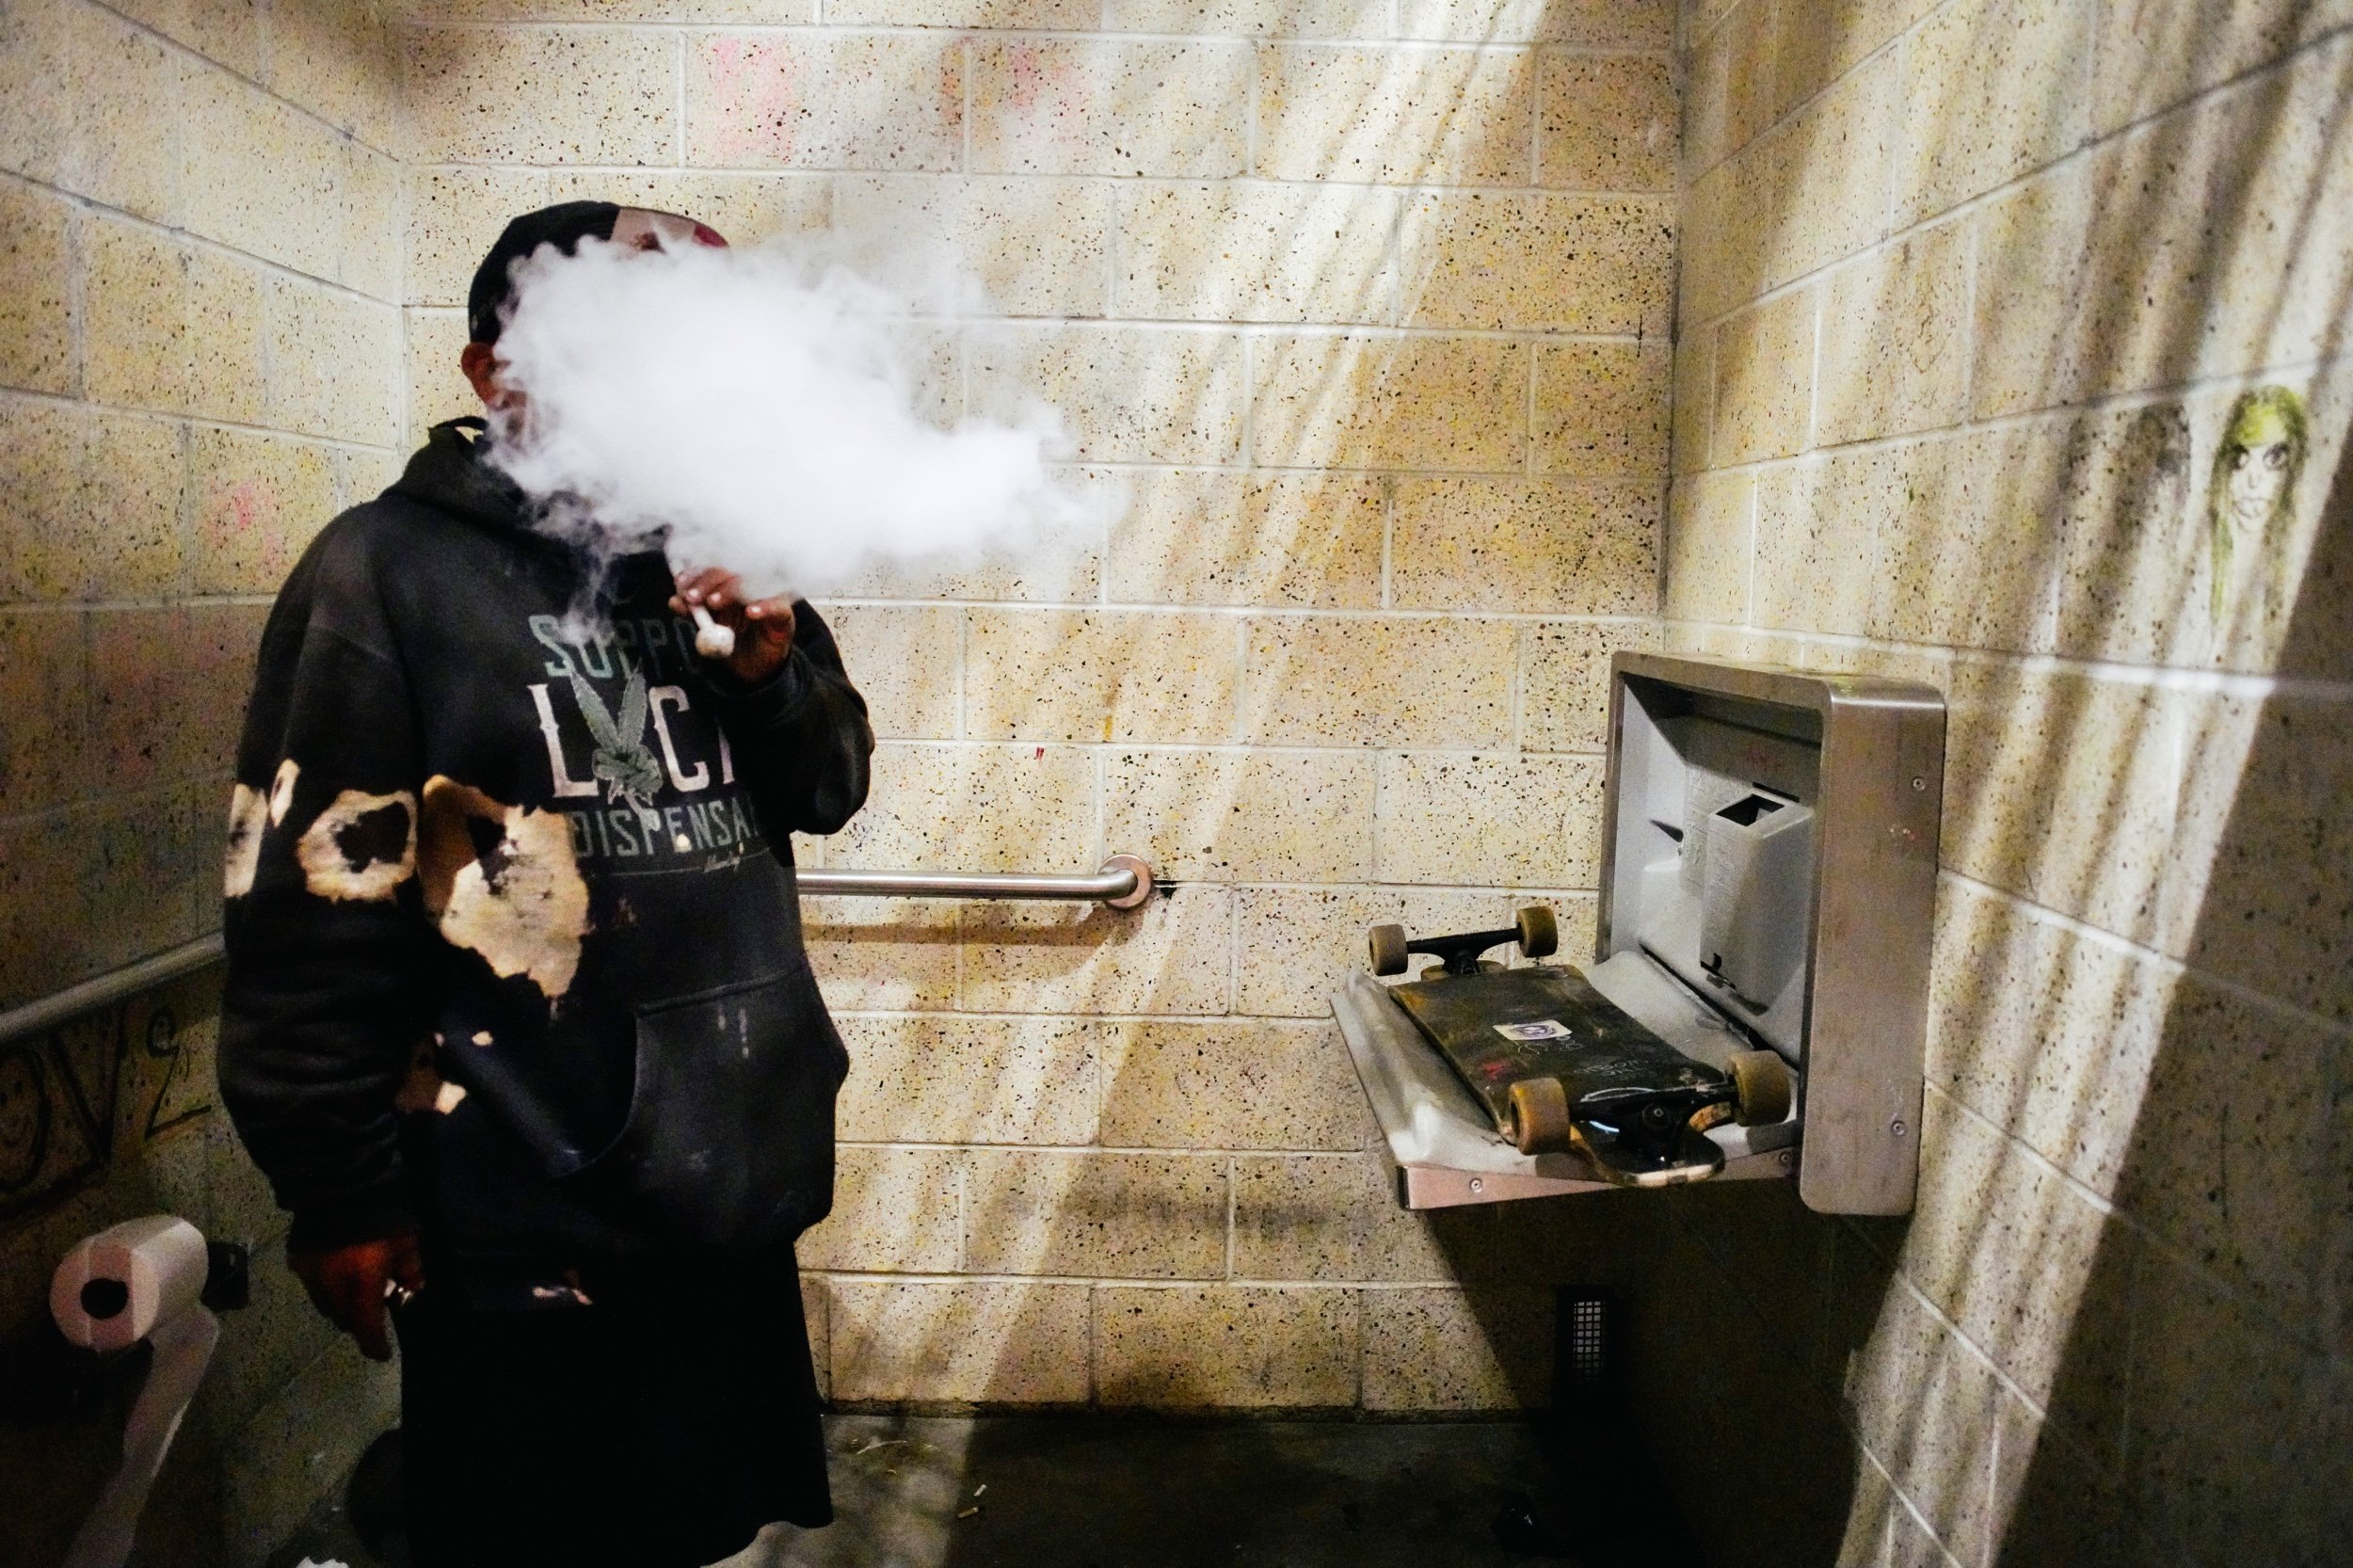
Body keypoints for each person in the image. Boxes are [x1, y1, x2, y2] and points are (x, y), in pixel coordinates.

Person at [216, 201, 872, 1566]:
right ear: (490, 375)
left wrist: (764, 674)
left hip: (725, 1185)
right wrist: (338, 1189)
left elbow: (831, 783)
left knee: (694, 1532)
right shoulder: (385, 571)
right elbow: (308, 911)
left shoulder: (723, 543)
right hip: (524, 1214)